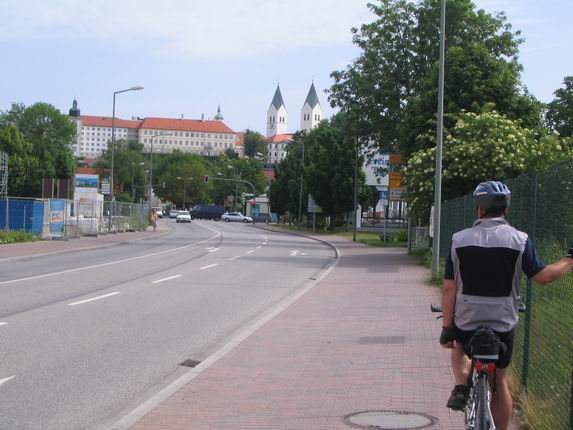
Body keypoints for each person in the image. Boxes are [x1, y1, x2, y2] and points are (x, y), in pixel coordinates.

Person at [440, 180, 573, 430]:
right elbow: (542, 277)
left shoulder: (459, 240)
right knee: (499, 380)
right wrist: (569, 259)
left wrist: (447, 326)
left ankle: (460, 386)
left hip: (468, 318)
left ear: (479, 209)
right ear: (506, 210)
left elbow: (449, 287)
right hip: (502, 322)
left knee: (456, 341)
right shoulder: (519, 240)